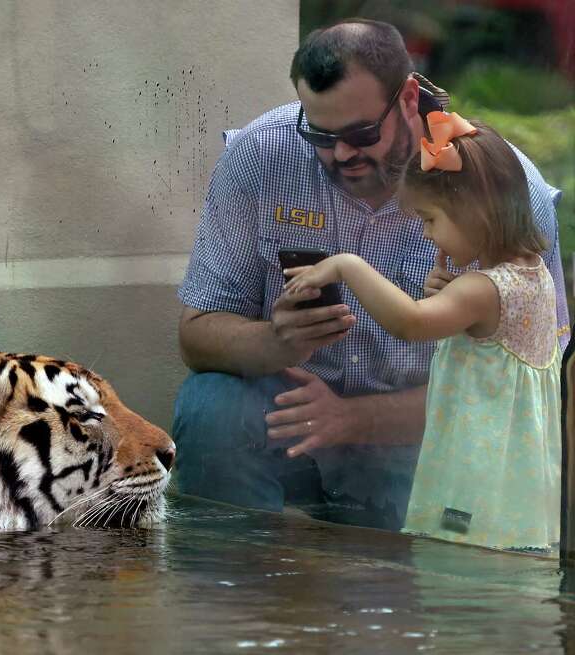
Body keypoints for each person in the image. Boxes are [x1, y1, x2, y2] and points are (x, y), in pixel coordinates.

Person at [172, 18, 570, 531]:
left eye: (360, 133)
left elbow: (533, 385)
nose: (341, 153)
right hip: (288, 418)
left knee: (408, 560)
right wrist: (276, 341)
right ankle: (237, 573)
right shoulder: (260, 156)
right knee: (211, 408)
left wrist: (353, 419)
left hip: (417, 442)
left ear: (408, 99)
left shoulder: (501, 192)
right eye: (319, 134)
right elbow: (196, 335)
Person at [284, 113, 560, 550]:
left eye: (431, 220)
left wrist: (346, 265)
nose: (429, 236)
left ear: (474, 210)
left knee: (452, 565)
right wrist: (451, 300)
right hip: (512, 488)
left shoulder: (482, 289)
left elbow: (410, 323)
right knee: (498, 573)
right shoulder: (533, 275)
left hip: (472, 486)